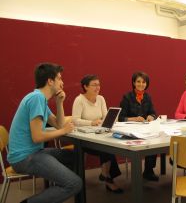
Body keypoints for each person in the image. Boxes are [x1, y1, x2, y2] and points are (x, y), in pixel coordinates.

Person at [7, 63, 82, 203]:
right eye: (59, 78)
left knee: (75, 157)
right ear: (50, 81)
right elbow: (38, 137)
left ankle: (56, 188)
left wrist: (59, 103)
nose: (62, 82)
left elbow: (58, 123)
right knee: (74, 183)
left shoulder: (40, 99)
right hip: (24, 158)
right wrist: (63, 131)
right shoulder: (37, 99)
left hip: (34, 152)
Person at [72, 74, 123, 193]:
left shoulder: (101, 98)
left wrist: (109, 121)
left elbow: (105, 116)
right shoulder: (79, 100)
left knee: (109, 145)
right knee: (106, 148)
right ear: (85, 87)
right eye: (94, 85)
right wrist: (92, 122)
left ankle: (105, 175)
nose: (97, 87)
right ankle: (108, 178)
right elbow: (75, 120)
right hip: (84, 139)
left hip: (99, 134)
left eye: (98, 85)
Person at [118, 71, 158, 181]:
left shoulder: (147, 97)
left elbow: (154, 113)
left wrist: (151, 116)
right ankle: (136, 174)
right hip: (130, 131)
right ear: (134, 83)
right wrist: (135, 119)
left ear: (147, 84)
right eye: (138, 82)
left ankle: (149, 171)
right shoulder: (127, 97)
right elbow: (121, 118)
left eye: (144, 82)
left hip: (144, 130)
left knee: (154, 141)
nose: (141, 84)